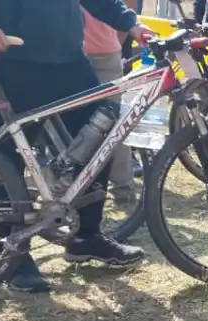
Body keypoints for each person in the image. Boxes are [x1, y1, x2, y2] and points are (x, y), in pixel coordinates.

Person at [0, 0, 151, 294]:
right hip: (12, 60)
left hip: (69, 58)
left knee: (103, 130)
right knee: (7, 159)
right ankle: (14, 256)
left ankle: (86, 236)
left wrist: (130, 23)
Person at [83, 11, 137, 209]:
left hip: (78, 53)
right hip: (104, 50)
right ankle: (123, 189)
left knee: (108, 125)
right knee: (114, 125)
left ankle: (120, 188)